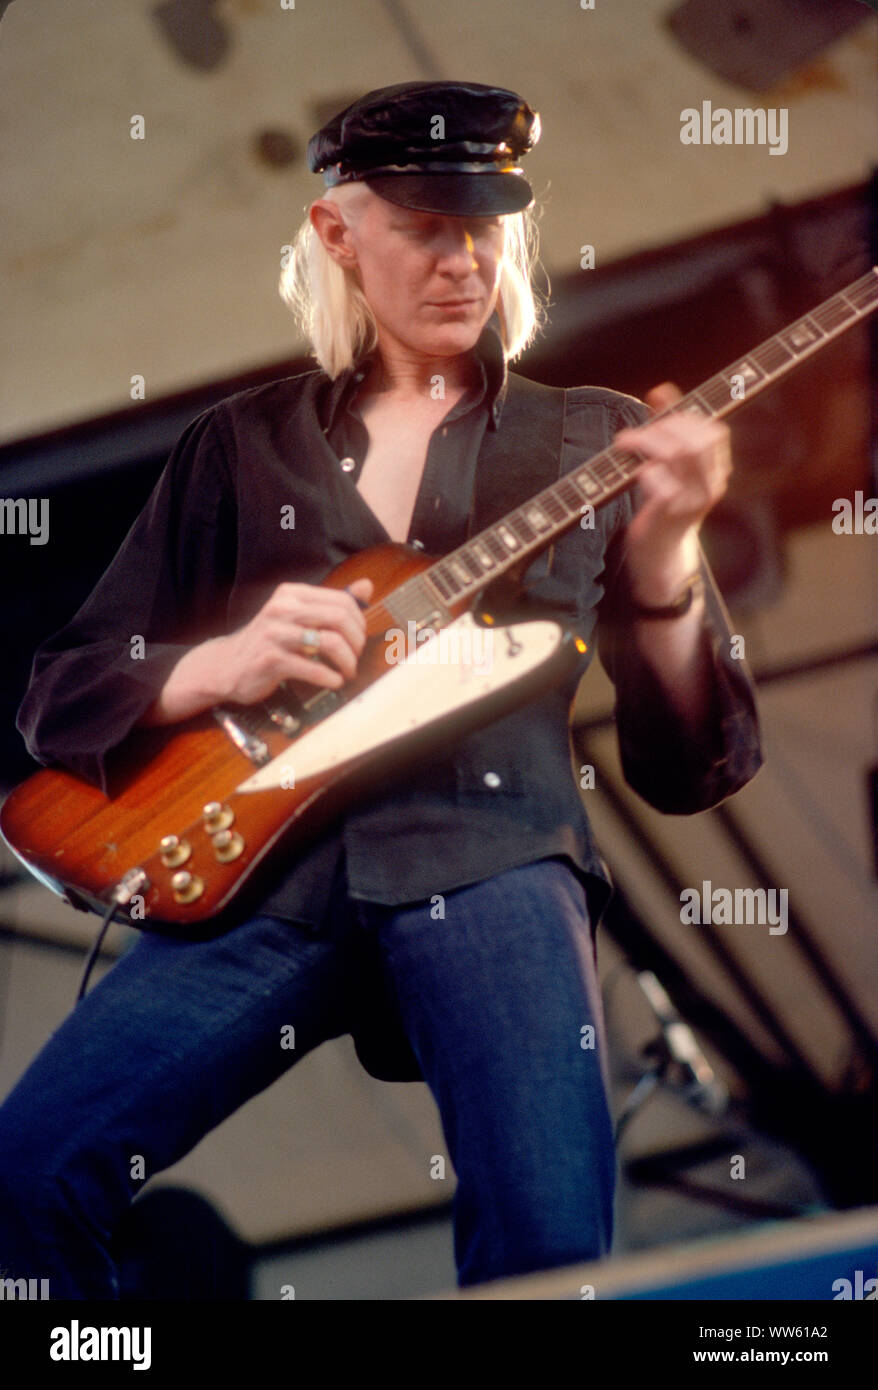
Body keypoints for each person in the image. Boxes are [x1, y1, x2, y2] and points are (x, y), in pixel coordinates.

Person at [0, 81, 761, 1297]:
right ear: (335, 233)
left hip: (491, 850)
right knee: (24, 1175)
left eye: (484, 223)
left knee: (547, 1252)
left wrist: (667, 551)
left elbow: (695, 762)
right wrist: (220, 662)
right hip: (254, 880)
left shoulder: (590, 437)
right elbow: (62, 691)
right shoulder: (238, 447)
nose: (461, 258)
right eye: (421, 224)